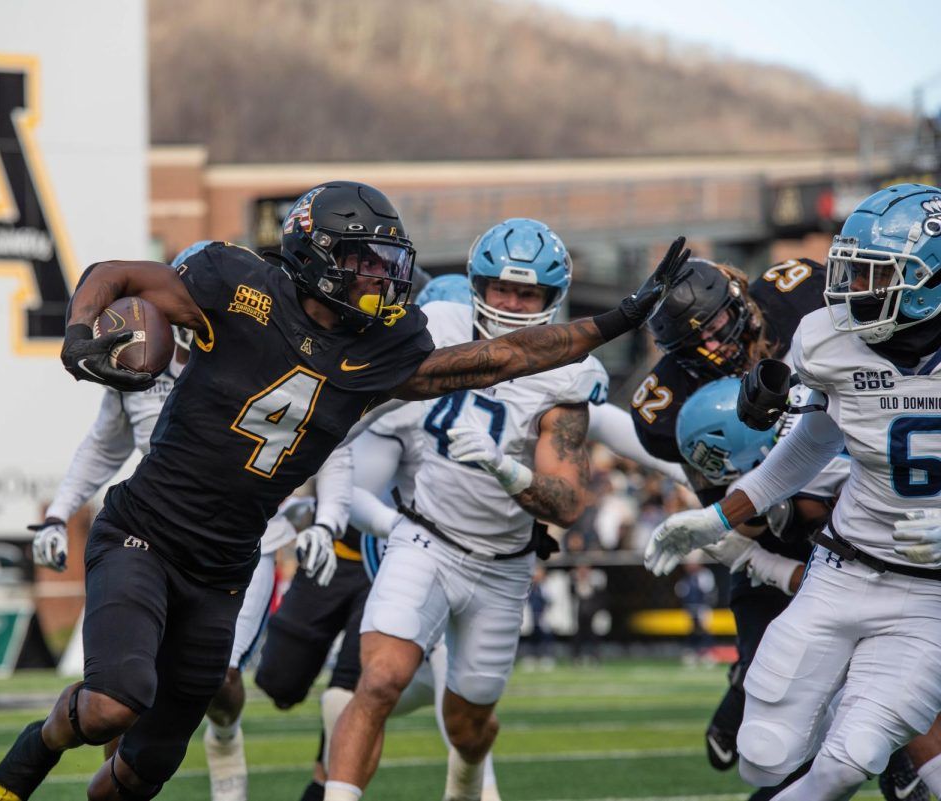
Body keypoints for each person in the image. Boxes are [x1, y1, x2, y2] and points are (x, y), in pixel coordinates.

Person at [0, 181, 690, 801]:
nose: (381, 276)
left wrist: (619, 321)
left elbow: (506, 356)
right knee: (110, 706)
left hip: (226, 567)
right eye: (364, 261)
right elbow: (114, 274)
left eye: (387, 260)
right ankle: (23, 764)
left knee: (146, 768)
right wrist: (77, 333)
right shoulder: (235, 283)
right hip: (147, 533)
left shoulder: (386, 347)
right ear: (317, 256)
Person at [643, 183, 941, 800]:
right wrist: (720, 519)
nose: (852, 292)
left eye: (876, 275)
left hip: (931, 590)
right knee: (765, 752)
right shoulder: (827, 339)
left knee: (852, 755)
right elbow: (808, 444)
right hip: (843, 563)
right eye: (851, 273)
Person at [29, 239, 353, 801]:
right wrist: (59, 512)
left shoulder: (265, 349)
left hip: (236, 545)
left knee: (220, 683)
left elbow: (334, 438)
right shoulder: (143, 350)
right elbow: (104, 446)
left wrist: (328, 517)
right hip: (151, 533)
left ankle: (224, 732)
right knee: (123, 685)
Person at [325, 218, 610, 801]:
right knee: (378, 680)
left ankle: (463, 785)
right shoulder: (436, 327)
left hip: (502, 566)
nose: (510, 303)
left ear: (550, 301)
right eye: (501, 287)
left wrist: (506, 469)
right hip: (424, 537)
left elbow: (568, 501)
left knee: (468, 725)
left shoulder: (568, 370)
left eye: (526, 293)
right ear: (475, 283)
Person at [627, 251, 836, 797]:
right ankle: (746, 682)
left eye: (718, 325)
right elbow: (724, 513)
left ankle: (905, 756)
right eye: (694, 343)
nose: (715, 344)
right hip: (765, 520)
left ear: (736, 297)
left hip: (846, 486)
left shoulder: (797, 295)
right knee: (774, 689)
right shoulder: (666, 402)